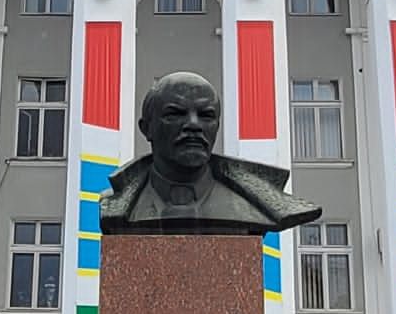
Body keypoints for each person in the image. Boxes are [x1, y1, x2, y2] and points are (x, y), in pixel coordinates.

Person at [97, 71, 319, 235]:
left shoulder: (253, 206)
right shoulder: (118, 205)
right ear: (146, 128)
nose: (193, 125)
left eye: (206, 115)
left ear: (217, 126)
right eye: (175, 114)